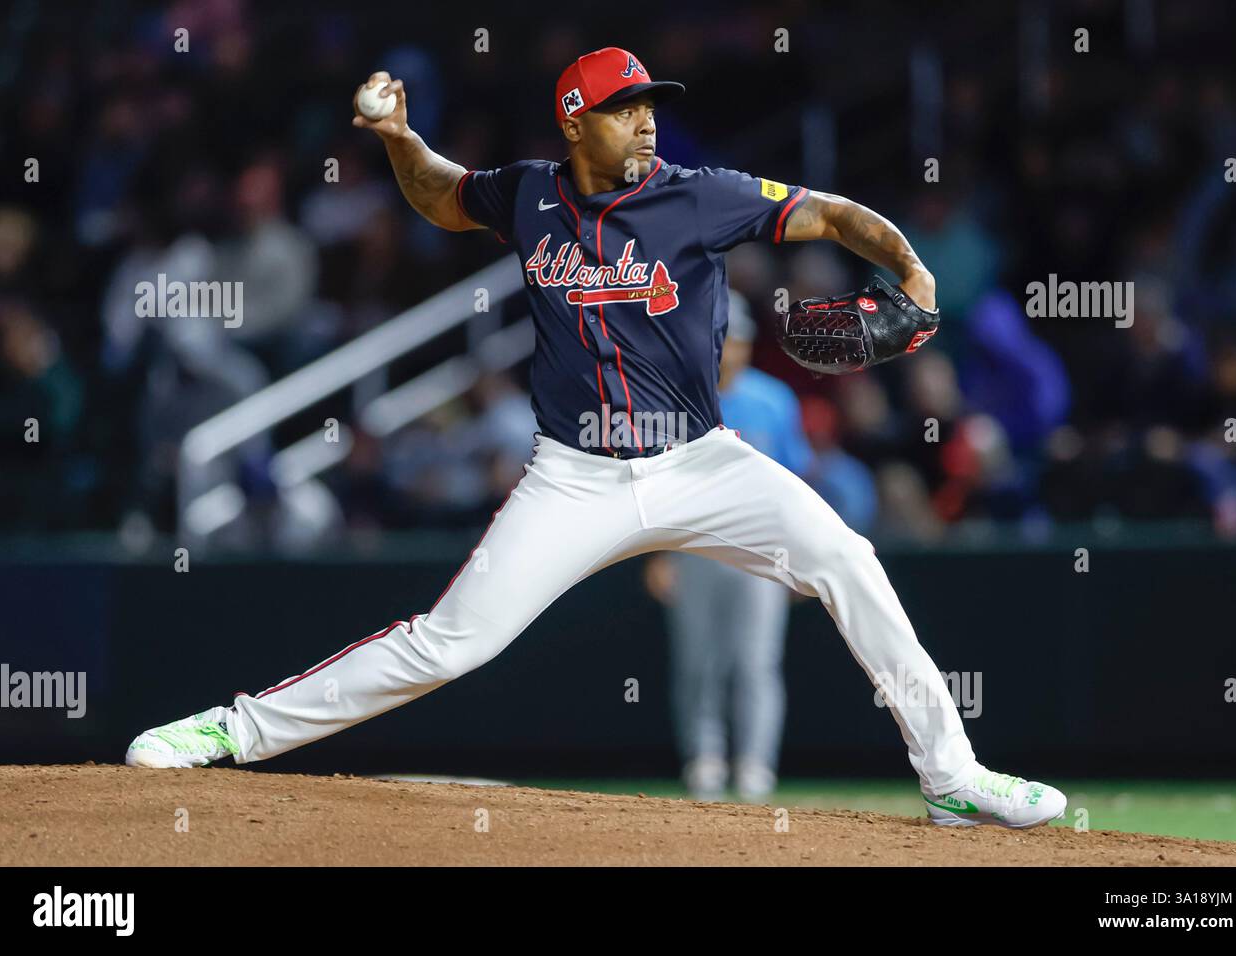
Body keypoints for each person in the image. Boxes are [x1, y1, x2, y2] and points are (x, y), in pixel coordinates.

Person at [127, 47, 1067, 829]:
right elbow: (443, 196)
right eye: (625, 109)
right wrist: (400, 138)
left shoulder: (701, 195)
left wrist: (908, 267)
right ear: (576, 121)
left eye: (651, 106)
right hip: (573, 479)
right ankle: (227, 732)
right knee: (447, 646)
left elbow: (828, 212)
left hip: (702, 461)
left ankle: (953, 775)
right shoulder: (531, 193)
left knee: (847, 558)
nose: (648, 122)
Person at [644, 294, 810, 803]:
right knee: (698, 662)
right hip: (694, 547)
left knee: (756, 661)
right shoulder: (674, 396)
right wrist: (657, 553)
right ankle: (705, 760)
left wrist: (797, 556)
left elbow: (794, 483)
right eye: (718, 338)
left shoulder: (774, 400)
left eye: (733, 338)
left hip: (760, 551)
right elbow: (656, 484)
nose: (725, 349)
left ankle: (756, 765)